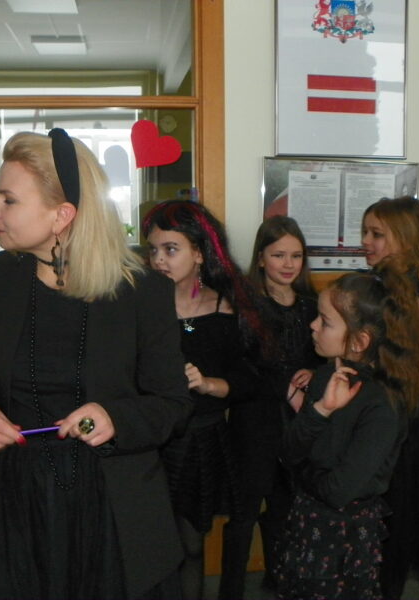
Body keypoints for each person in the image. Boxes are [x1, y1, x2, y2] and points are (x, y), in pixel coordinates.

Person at [0, 129, 192, 600]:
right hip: (15, 507)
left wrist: (116, 417)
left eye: (9, 199)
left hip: (115, 510)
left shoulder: (142, 291)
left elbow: (172, 404)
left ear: (62, 215)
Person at [275, 261, 419, 600]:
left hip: (343, 535)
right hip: (306, 520)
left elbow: (338, 490)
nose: (313, 326)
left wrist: (300, 473)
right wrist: (321, 410)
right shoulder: (326, 376)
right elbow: (287, 451)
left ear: (359, 341)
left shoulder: (384, 404)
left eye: (325, 321)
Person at [143, 199, 262, 600]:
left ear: (198, 253)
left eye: (170, 249)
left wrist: (210, 384)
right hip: (150, 440)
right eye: (153, 250)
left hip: (200, 440)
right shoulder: (141, 306)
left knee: (191, 545)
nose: (159, 260)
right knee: (150, 547)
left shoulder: (226, 307)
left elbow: (250, 379)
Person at [218, 215, 323, 599]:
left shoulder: (311, 306)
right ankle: (230, 591)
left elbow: (321, 358)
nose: (288, 264)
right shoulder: (246, 307)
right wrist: (283, 385)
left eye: (296, 255)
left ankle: (278, 581)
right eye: (279, 255)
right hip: (254, 422)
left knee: (285, 507)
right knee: (244, 513)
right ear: (261, 258)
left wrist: (314, 372)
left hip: (296, 422)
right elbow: (240, 369)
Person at [361, 196, 419, 599]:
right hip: (366, 423)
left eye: (377, 234)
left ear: (406, 240)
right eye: (365, 232)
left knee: (392, 536)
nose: (366, 241)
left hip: (400, 431)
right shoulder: (368, 289)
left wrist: (378, 369)